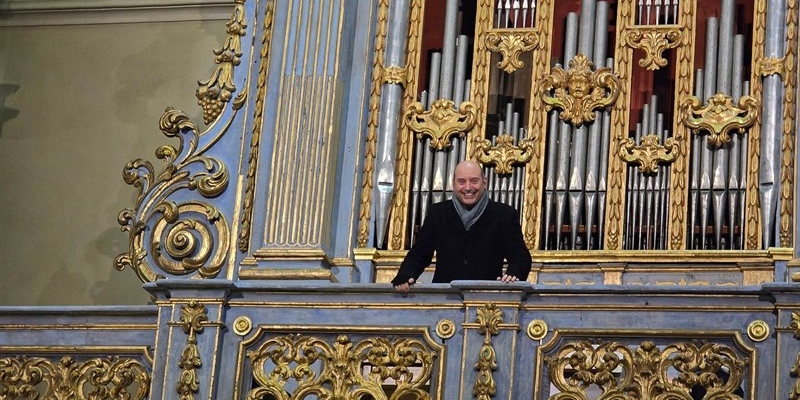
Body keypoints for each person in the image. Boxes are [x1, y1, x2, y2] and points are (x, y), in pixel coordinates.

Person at [392, 160, 532, 292]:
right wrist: (406, 274)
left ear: (485, 182)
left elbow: (520, 257)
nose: (468, 187)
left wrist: (514, 274)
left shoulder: (505, 215)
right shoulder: (437, 213)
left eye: (474, 181)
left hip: (488, 298)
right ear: (453, 184)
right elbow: (419, 253)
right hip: (445, 299)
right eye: (461, 182)